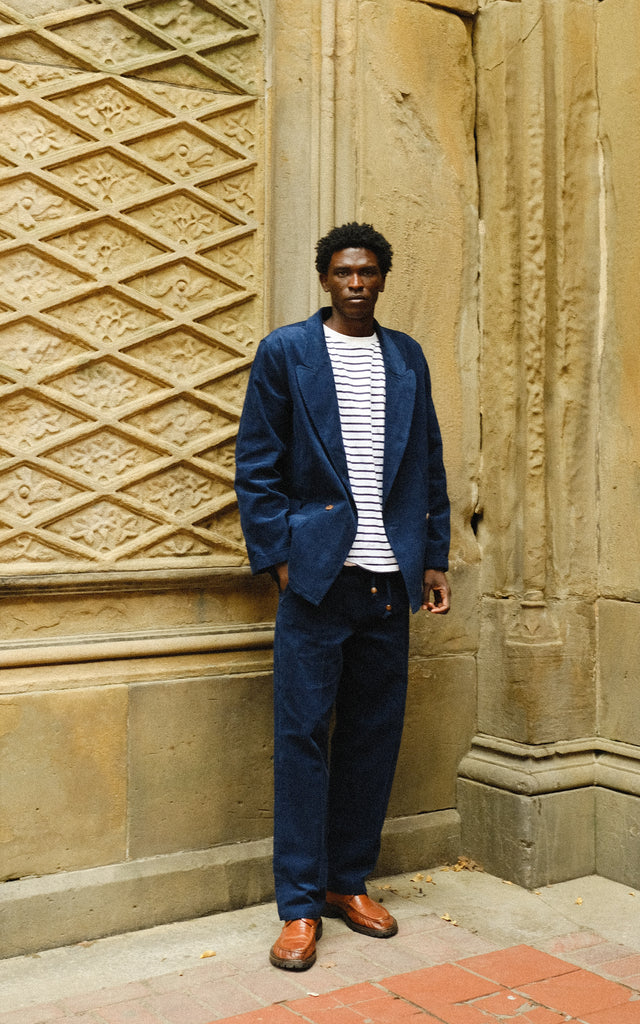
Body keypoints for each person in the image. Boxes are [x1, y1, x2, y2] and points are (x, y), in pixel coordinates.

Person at [234, 222, 451, 971]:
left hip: (388, 583)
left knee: (370, 735)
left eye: (367, 272)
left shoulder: (405, 357)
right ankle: (298, 905)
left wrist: (433, 559)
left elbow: (428, 461)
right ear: (325, 279)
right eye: (342, 272)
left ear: (382, 278)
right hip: (317, 582)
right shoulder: (286, 352)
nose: (356, 283)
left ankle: (345, 882)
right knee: (302, 738)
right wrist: (281, 561)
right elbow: (256, 464)